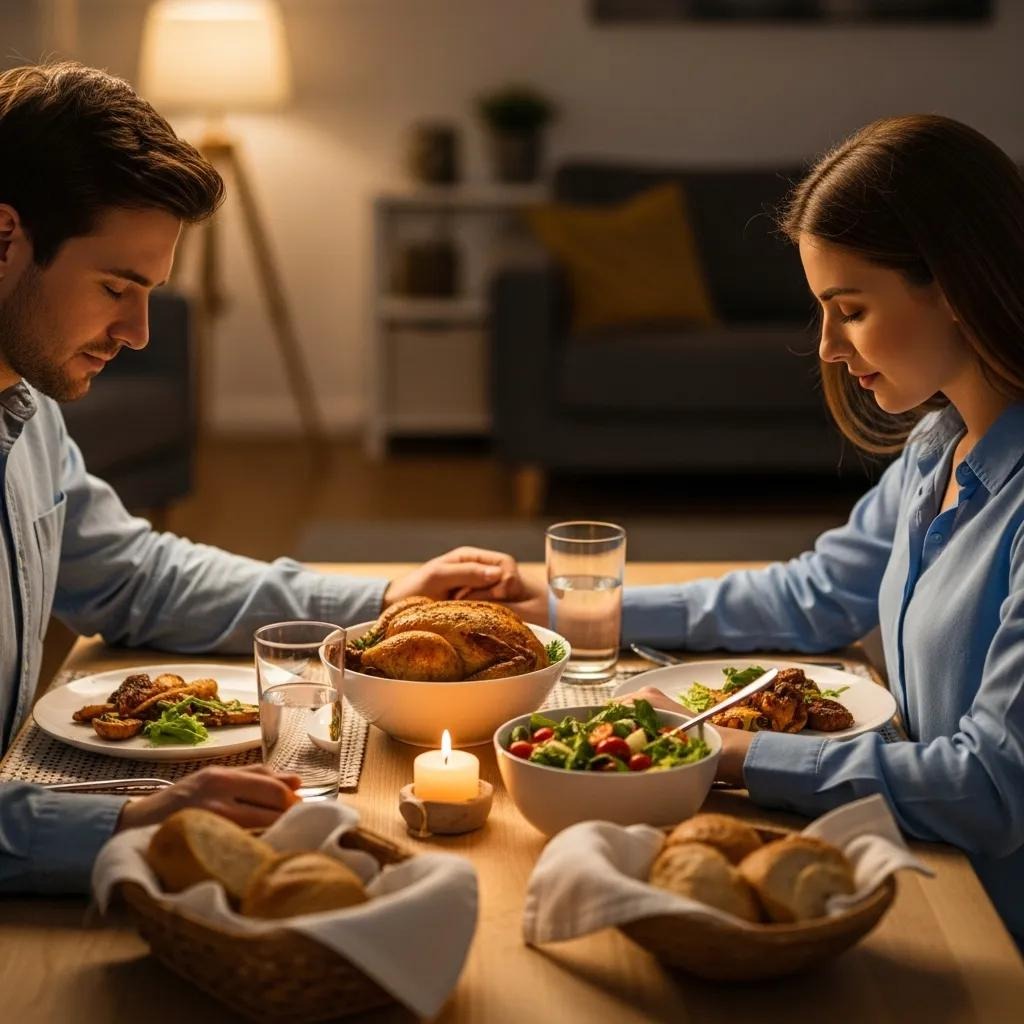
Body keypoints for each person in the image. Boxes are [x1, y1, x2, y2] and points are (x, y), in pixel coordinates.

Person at [0, 61, 520, 893]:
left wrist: (384, 605)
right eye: (115, 287)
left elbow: (136, 577)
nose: (137, 332)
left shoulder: (25, 412)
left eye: (149, 292)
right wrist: (126, 823)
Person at [511, 114, 1024, 942]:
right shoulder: (937, 447)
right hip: (911, 855)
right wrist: (567, 611)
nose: (826, 347)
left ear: (955, 286)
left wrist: (727, 752)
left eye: (850, 309)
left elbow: (992, 788)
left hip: (989, 926)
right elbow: (813, 595)